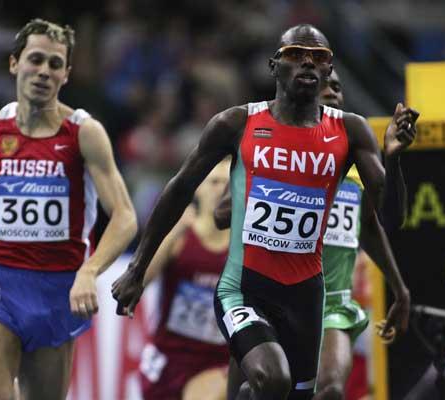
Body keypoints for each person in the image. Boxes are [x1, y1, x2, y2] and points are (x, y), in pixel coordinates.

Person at [112, 24, 417, 400]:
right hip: (244, 288)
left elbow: (390, 220)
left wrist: (393, 160)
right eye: (296, 54)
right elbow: (180, 190)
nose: (307, 61)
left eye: (318, 57)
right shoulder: (236, 123)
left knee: (294, 393)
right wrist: (137, 268)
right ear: (274, 65)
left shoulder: (351, 132)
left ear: (329, 70)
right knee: (273, 380)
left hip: (306, 295)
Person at [0, 19, 137, 400]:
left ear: (66, 74)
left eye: (55, 64)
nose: (44, 71)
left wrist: (90, 271)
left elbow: (124, 216)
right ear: (14, 63)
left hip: (58, 289)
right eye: (36, 60)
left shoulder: (84, 133)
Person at [214, 68, 412, 400]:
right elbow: (221, 215)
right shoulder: (280, 155)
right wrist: (282, 192)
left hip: (332, 302)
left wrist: (399, 288)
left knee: (331, 389)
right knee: (255, 389)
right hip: (269, 294)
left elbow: (370, 228)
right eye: (325, 88)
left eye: (337, 87)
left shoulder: (357, 162)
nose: (332, 92)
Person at [139, 158, 231, 400]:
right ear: (198, 187)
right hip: (168, 356)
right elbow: (138, 282)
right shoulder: (180, 235)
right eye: (214, 182)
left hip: (216, 360)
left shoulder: (241, 245)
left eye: (228, 184)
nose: (220, 189)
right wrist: (173, 231)